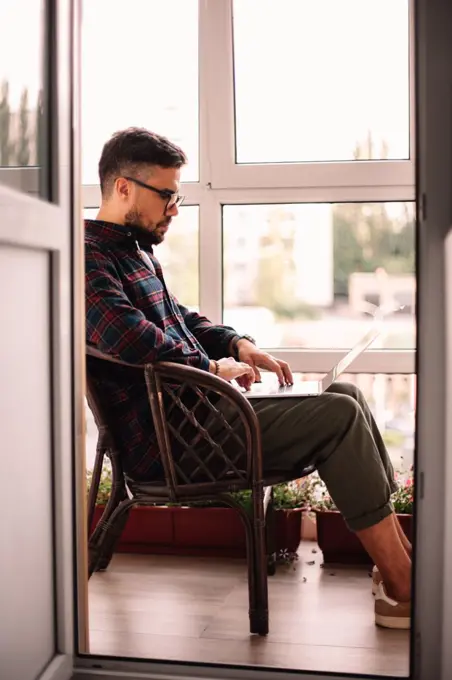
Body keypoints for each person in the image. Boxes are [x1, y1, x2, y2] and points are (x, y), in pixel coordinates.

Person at [85, 127, 412, 630]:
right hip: (176, 441)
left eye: (179, 196)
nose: (175, 207)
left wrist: (237, 344)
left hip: (201, 421)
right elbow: (131, 338)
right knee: (340, 414)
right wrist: (213, 368)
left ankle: (400, 562)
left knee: (345, 393)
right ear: (123, 187)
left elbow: (181, 320)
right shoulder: (89, 259)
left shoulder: (134, 252)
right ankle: (406, 586)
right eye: (167, 195)